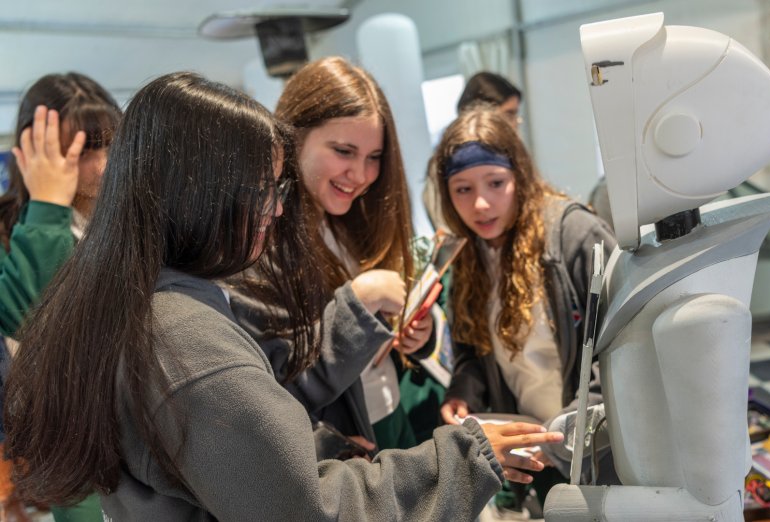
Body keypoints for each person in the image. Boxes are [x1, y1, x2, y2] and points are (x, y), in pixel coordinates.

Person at [2, 72, 562, 520]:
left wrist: (319, 444)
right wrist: (466, 456)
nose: (275, 208)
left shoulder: (151, 303)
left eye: (373, 159)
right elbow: (305, 503)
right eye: (265, 191)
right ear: (202, 195)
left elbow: (241, 437)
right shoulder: (183, 337)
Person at [230, 56, 433, 453]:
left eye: (374, 158)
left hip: (389, 419)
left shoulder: (351, 220)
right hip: (347, 445)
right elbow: (274, 386)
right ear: (292, 136)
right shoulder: (257, 243)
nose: (360, 175)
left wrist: (421, 335)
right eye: (343, 151)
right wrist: (361, 301)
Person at [432, 107, 617, 510]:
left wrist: (567, 432)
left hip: (599, 452)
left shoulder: (573, 236)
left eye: (496, 183)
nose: (481, 204)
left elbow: (623, 350)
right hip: (535, 453)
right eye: (462, 189)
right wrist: (464, 389)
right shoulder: (468, 255)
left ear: (520, 176)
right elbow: (472, 350)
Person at [0, 72, 120, 522]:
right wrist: (48, 202)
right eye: (85, 151)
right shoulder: (10, 232)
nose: (104, 165)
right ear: (33, 155)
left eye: (112, 145)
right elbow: (33, 316)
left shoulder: (134, 219)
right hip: (77, 452)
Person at [425, 71, 523, 233]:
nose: (515, 124)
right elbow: (447, 232)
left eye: (496, 183)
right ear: (480, 115)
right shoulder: (444, 164)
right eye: (509, 115)